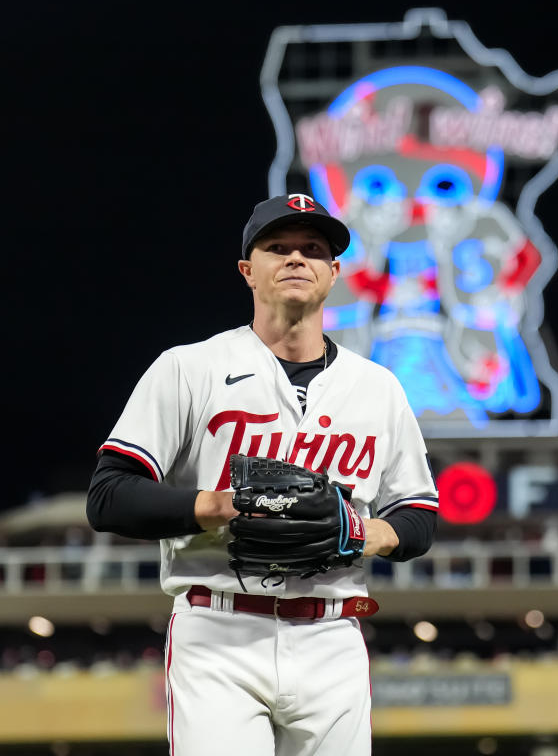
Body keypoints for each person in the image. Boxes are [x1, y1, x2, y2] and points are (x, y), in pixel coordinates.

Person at [86, 192, 439, 756]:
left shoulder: (379, 388)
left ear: (334, 273)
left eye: (313, 249)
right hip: (219, 629)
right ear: (249, 271)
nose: (297, 258)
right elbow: (108, 497)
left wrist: (364, 531)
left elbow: (418, 513)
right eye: (278, 248)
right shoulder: (190, 368)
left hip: (333, 633)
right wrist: (221, 506)